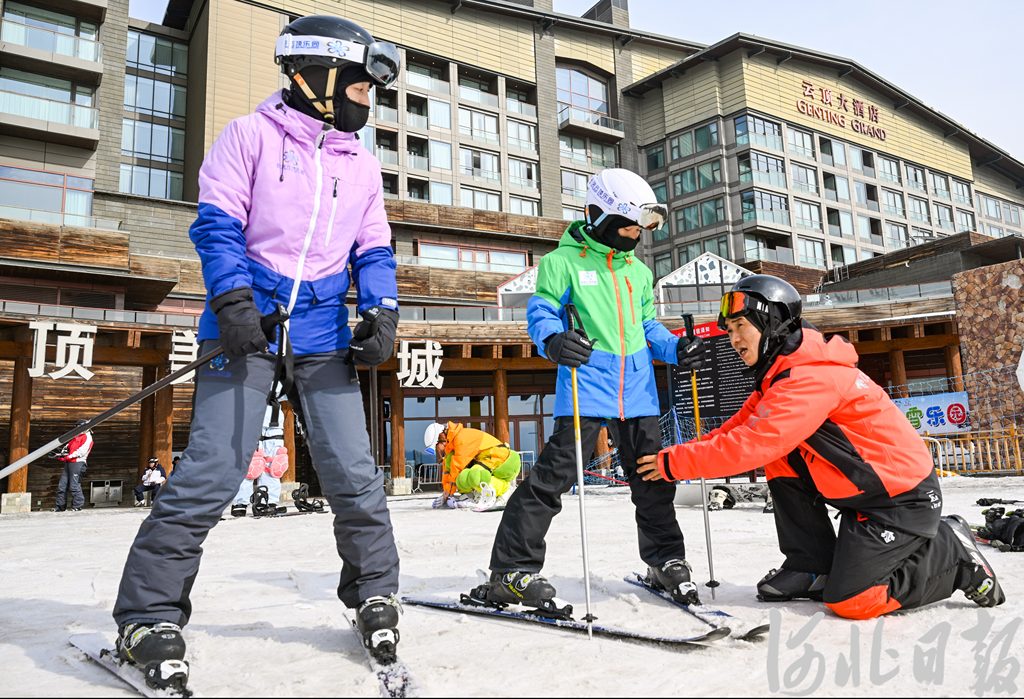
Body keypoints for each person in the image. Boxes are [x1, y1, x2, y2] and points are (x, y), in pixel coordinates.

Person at [111, 14, 405, 682]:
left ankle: (375, 593)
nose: (368, 99)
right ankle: (147, 615)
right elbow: (216, 226)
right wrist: (234, 301)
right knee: (212, 472)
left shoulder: (361, 163)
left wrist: (381, 309)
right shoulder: (248, 137)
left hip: (323, 333)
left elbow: (374, 247)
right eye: (360, 85)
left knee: (354, 473)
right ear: (318, 77)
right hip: (248, 324)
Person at [638, 274, 1005, 619]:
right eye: (729, 330)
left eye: (740, 327)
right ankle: (810, 565)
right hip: (866, 495)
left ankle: (953, 552)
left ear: (771, 322)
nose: (733, 339)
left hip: (901, 501)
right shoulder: (781, 374)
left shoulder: (810, 377)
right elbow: (738, 429)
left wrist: (673, 464)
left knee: (852, 599)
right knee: (782, 454)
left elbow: (755, 443)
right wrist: (670, 457)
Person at [477, 168, 707, 611]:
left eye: (640, 229)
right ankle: (511, 570)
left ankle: (665, 559)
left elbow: (647, 326)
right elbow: (543, 310)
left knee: (653, 480)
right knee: (552, 480)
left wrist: (677, 349)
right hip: (585, 386)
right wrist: (552, 340)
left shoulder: (638, 272)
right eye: (628, 226)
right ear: (598, 215)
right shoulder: (562, 262)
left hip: (638, 391)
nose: (635, 236)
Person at [423, 421, 521, 509]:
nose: (439, 451)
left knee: (474, 475)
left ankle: (505, 490)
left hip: (504, 459)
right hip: (489, 458)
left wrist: (448, 494)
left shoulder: (460, 438)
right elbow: (448, 470)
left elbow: (457, 467)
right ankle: (472, 494)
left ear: (441, 436)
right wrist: (446, 493)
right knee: (462, 475)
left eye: (437, 447)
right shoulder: (452, 446)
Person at [232, 410, 289, 517]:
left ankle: (268, 500)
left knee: (274, 463)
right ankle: (240, 501)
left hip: (275, 418)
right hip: (250, 414)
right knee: (251, 463)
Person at [53, 421, 93, 512]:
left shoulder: (87, 437)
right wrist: (61, 454)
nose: (77, 429)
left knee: (74, 485)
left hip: (78, 463)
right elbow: (67, 447)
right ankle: (60, 507)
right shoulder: (75, 437)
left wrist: (69, 456)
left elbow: (82, 451)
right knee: (62, 485)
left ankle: (77, 506)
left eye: (78, 427)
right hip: (69, 463)